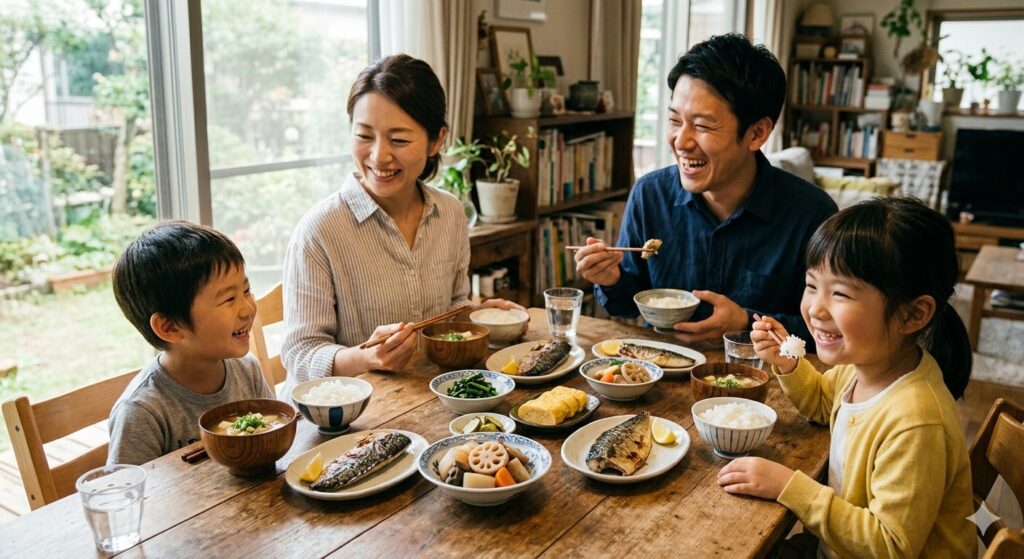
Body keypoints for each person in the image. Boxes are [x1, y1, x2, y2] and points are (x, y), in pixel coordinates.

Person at [718, 197, 975, 558]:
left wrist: (789, 486)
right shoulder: (864, 369)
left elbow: (890, 545)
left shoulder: (917, 422)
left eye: (840, 293)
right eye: (811, 285)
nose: (815, 309)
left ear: (912, 315)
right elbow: (824, 402)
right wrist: (789, 364)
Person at [574, 34, 837, 345]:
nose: (681, 142)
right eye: (675, 120)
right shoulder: (650, 195)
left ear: (757, 133)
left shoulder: (812, 215)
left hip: (761, 382)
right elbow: (625, 303)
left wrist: (745, 322)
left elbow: (829, 330)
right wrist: (610, 279)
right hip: (662, 375)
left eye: (702, 126)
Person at [282, 54, 521, 387]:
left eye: (398, 140)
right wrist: (366, 357)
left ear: (437, 140)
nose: (379, 156)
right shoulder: (320, 231)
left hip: (432, 392)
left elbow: (452, 303)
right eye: (364, 136)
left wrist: (473, 315)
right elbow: (299, 353)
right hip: (354, 417)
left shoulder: (450, 212)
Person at [107, 221, 274, 465]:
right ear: (170, 328)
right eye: (229, 299)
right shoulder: (143, 411)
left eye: (246, 290)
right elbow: (126, 497)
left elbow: (272, 440)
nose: (248, 309)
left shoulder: (246, 370)